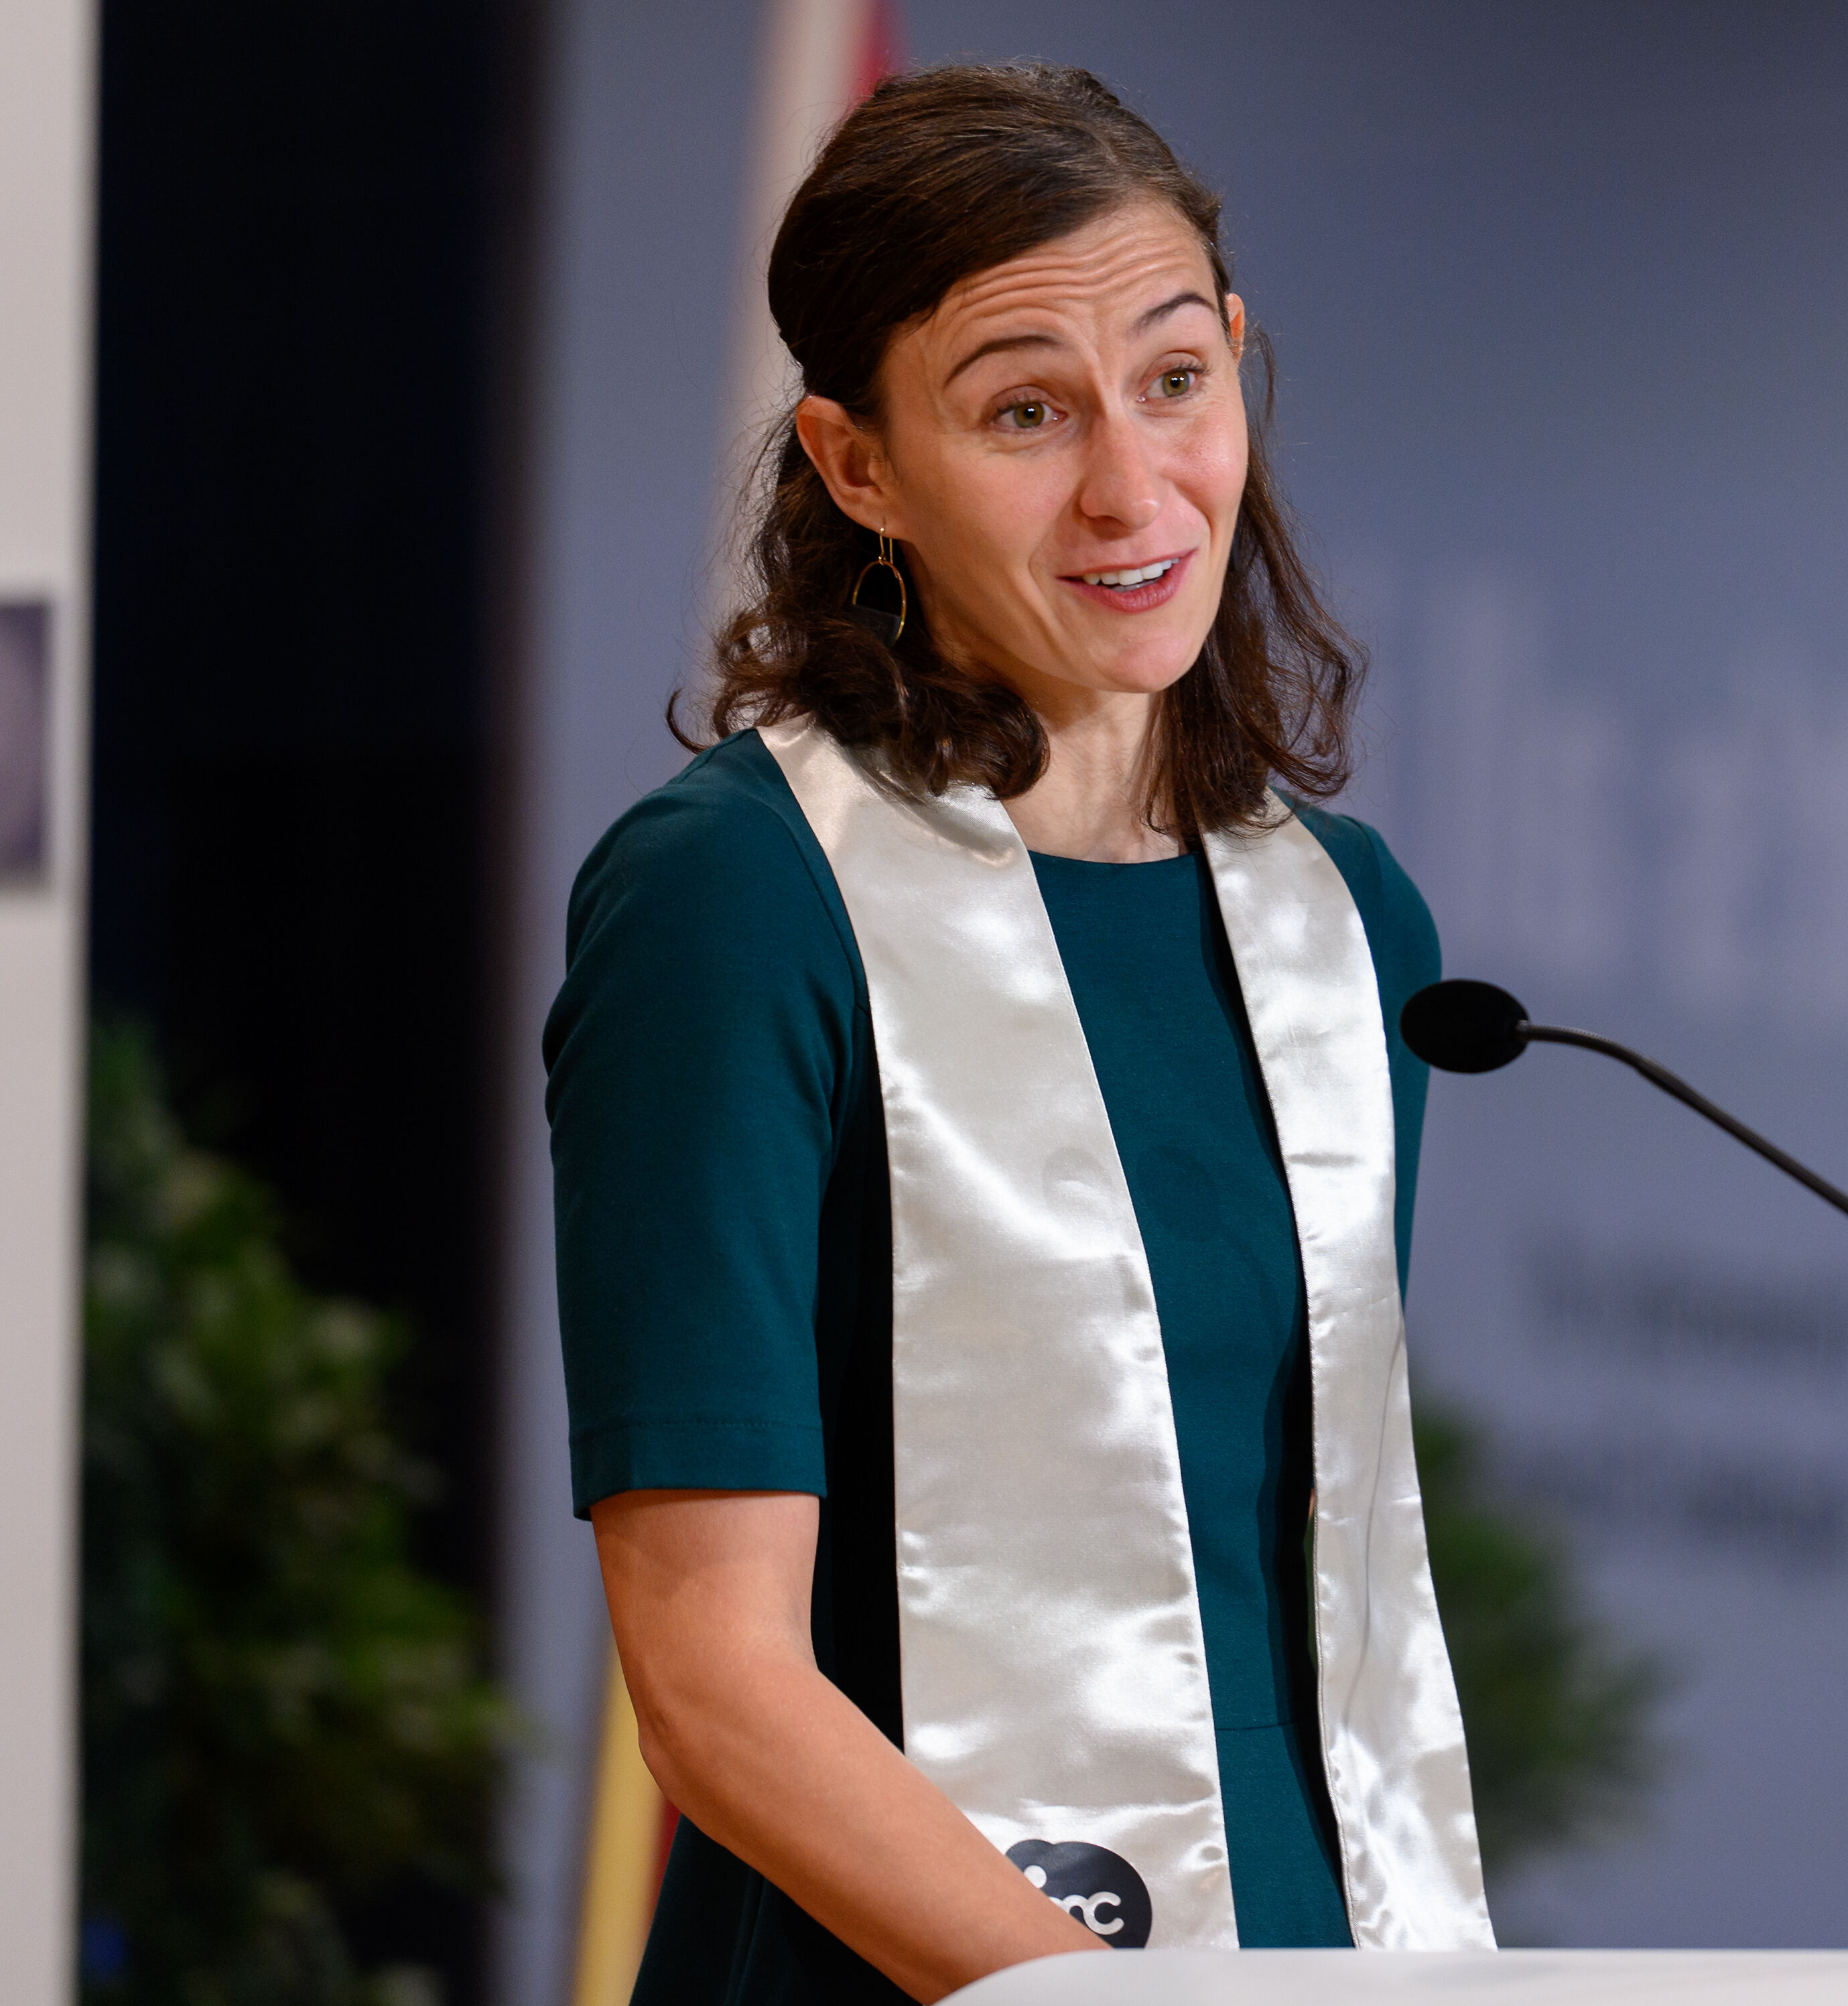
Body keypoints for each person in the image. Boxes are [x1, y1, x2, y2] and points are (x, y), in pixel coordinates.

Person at [547, 62, 1491, 2003]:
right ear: (858, 466)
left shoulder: (1345, 924)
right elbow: (716, 1687)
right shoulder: (742, 896)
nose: (1133, 490)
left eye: (1174, 380)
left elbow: (1311, 1625)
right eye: (1025, 413)